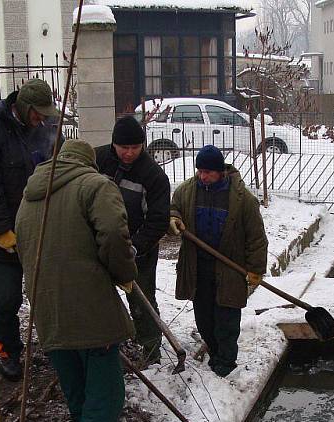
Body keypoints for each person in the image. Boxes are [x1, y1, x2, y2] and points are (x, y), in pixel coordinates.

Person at [15, 139, 137, 422]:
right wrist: (124, 274)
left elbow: (22, 246)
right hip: (88, 298)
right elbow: (113, 234)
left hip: (45, 301)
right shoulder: (96, 185)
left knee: (75, 378)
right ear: (89, 163)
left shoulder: (30, 195)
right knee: (106, 385)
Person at [0, 78, 59, 381]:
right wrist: (1, 230)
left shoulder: (45, 132)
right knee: (6, 298)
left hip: (40, 230)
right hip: (0, 237)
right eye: (38, 113)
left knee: (47, 294)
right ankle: (8, 352)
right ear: (24, 106)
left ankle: (58, 348)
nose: (42, 119)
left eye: (46, 114)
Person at [169, 144, 268, 377]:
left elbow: (256, 238)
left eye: (208, 172)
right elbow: (174, 208)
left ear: (220, 171)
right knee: (203, 318)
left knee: (226, 319)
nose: (203, 177)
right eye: (200, 171)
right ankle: (214, 353)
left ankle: (225, 363)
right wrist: (173, 218)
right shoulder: (187, 191)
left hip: (229, 267)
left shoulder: (242, 199)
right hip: (198, 265)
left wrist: (255, 269)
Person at [95, 116, 171, 366]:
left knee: (141, 299)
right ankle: (102, 342)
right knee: (97, 295)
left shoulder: (153, 176)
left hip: (138, 249)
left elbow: (158, 221)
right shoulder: (98, 160)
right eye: (123, 147)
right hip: (97, 243)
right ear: (114, 144)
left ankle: (150, 348)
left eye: (135, 148)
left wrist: (134, 247)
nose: (129, 153)